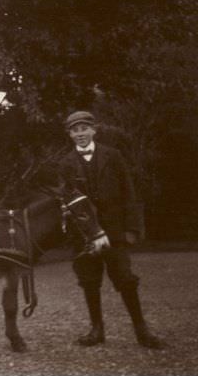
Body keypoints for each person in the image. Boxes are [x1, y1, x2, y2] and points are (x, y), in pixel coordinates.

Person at [58, 111, 163, 349]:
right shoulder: (65, 164)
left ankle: (142, 330)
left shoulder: (113, 156)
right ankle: (97, 330)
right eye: (75, 130)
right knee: (89, 281)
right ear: (69, 134)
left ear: (94, 130)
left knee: (125, 279)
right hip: (84, 236)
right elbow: (67, 200)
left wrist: (132, 229)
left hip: (115, 232)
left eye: (84, 128)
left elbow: (129, 193)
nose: (80, 134)